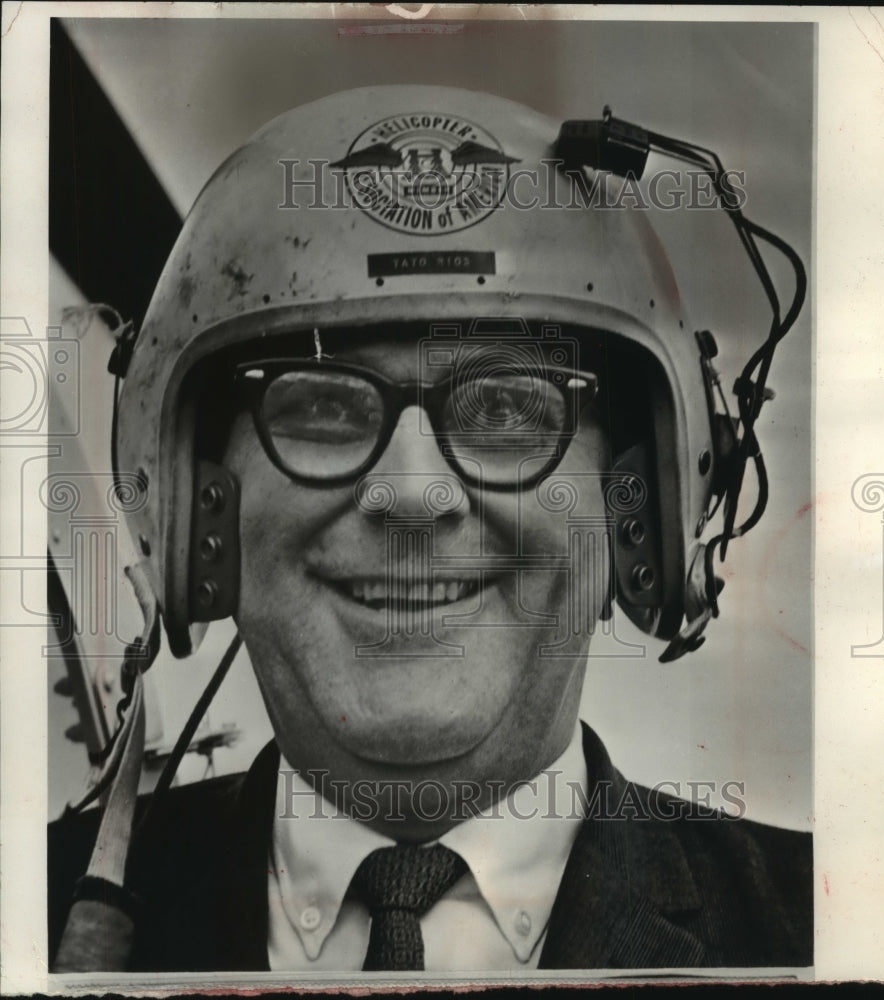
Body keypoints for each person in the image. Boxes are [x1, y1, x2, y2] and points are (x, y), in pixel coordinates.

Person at [48, 85, 812, 974]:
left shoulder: (832, 928)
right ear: (194, 509)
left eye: (505, 406)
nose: (411, 494)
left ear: (638, 508)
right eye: (322, 405)